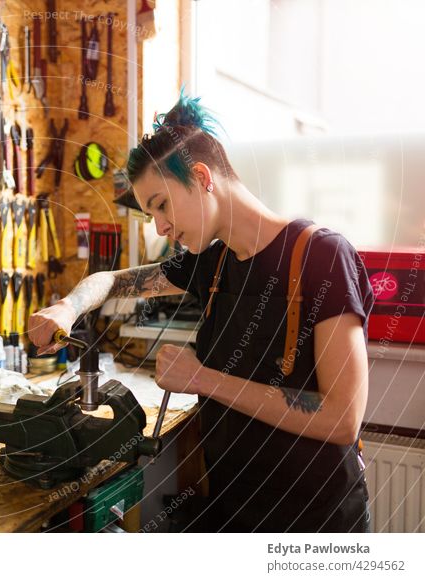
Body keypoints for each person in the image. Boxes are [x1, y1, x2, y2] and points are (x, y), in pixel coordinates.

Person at [27, 91, 374, 533]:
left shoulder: (322, 256)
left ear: (201, 176)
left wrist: (202, 379)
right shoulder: (213, 264)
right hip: (238, 511)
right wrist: (66, 306)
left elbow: (342, 418)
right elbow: (115, 280)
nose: (159, 226)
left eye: (160, 204)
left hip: (316, 522)